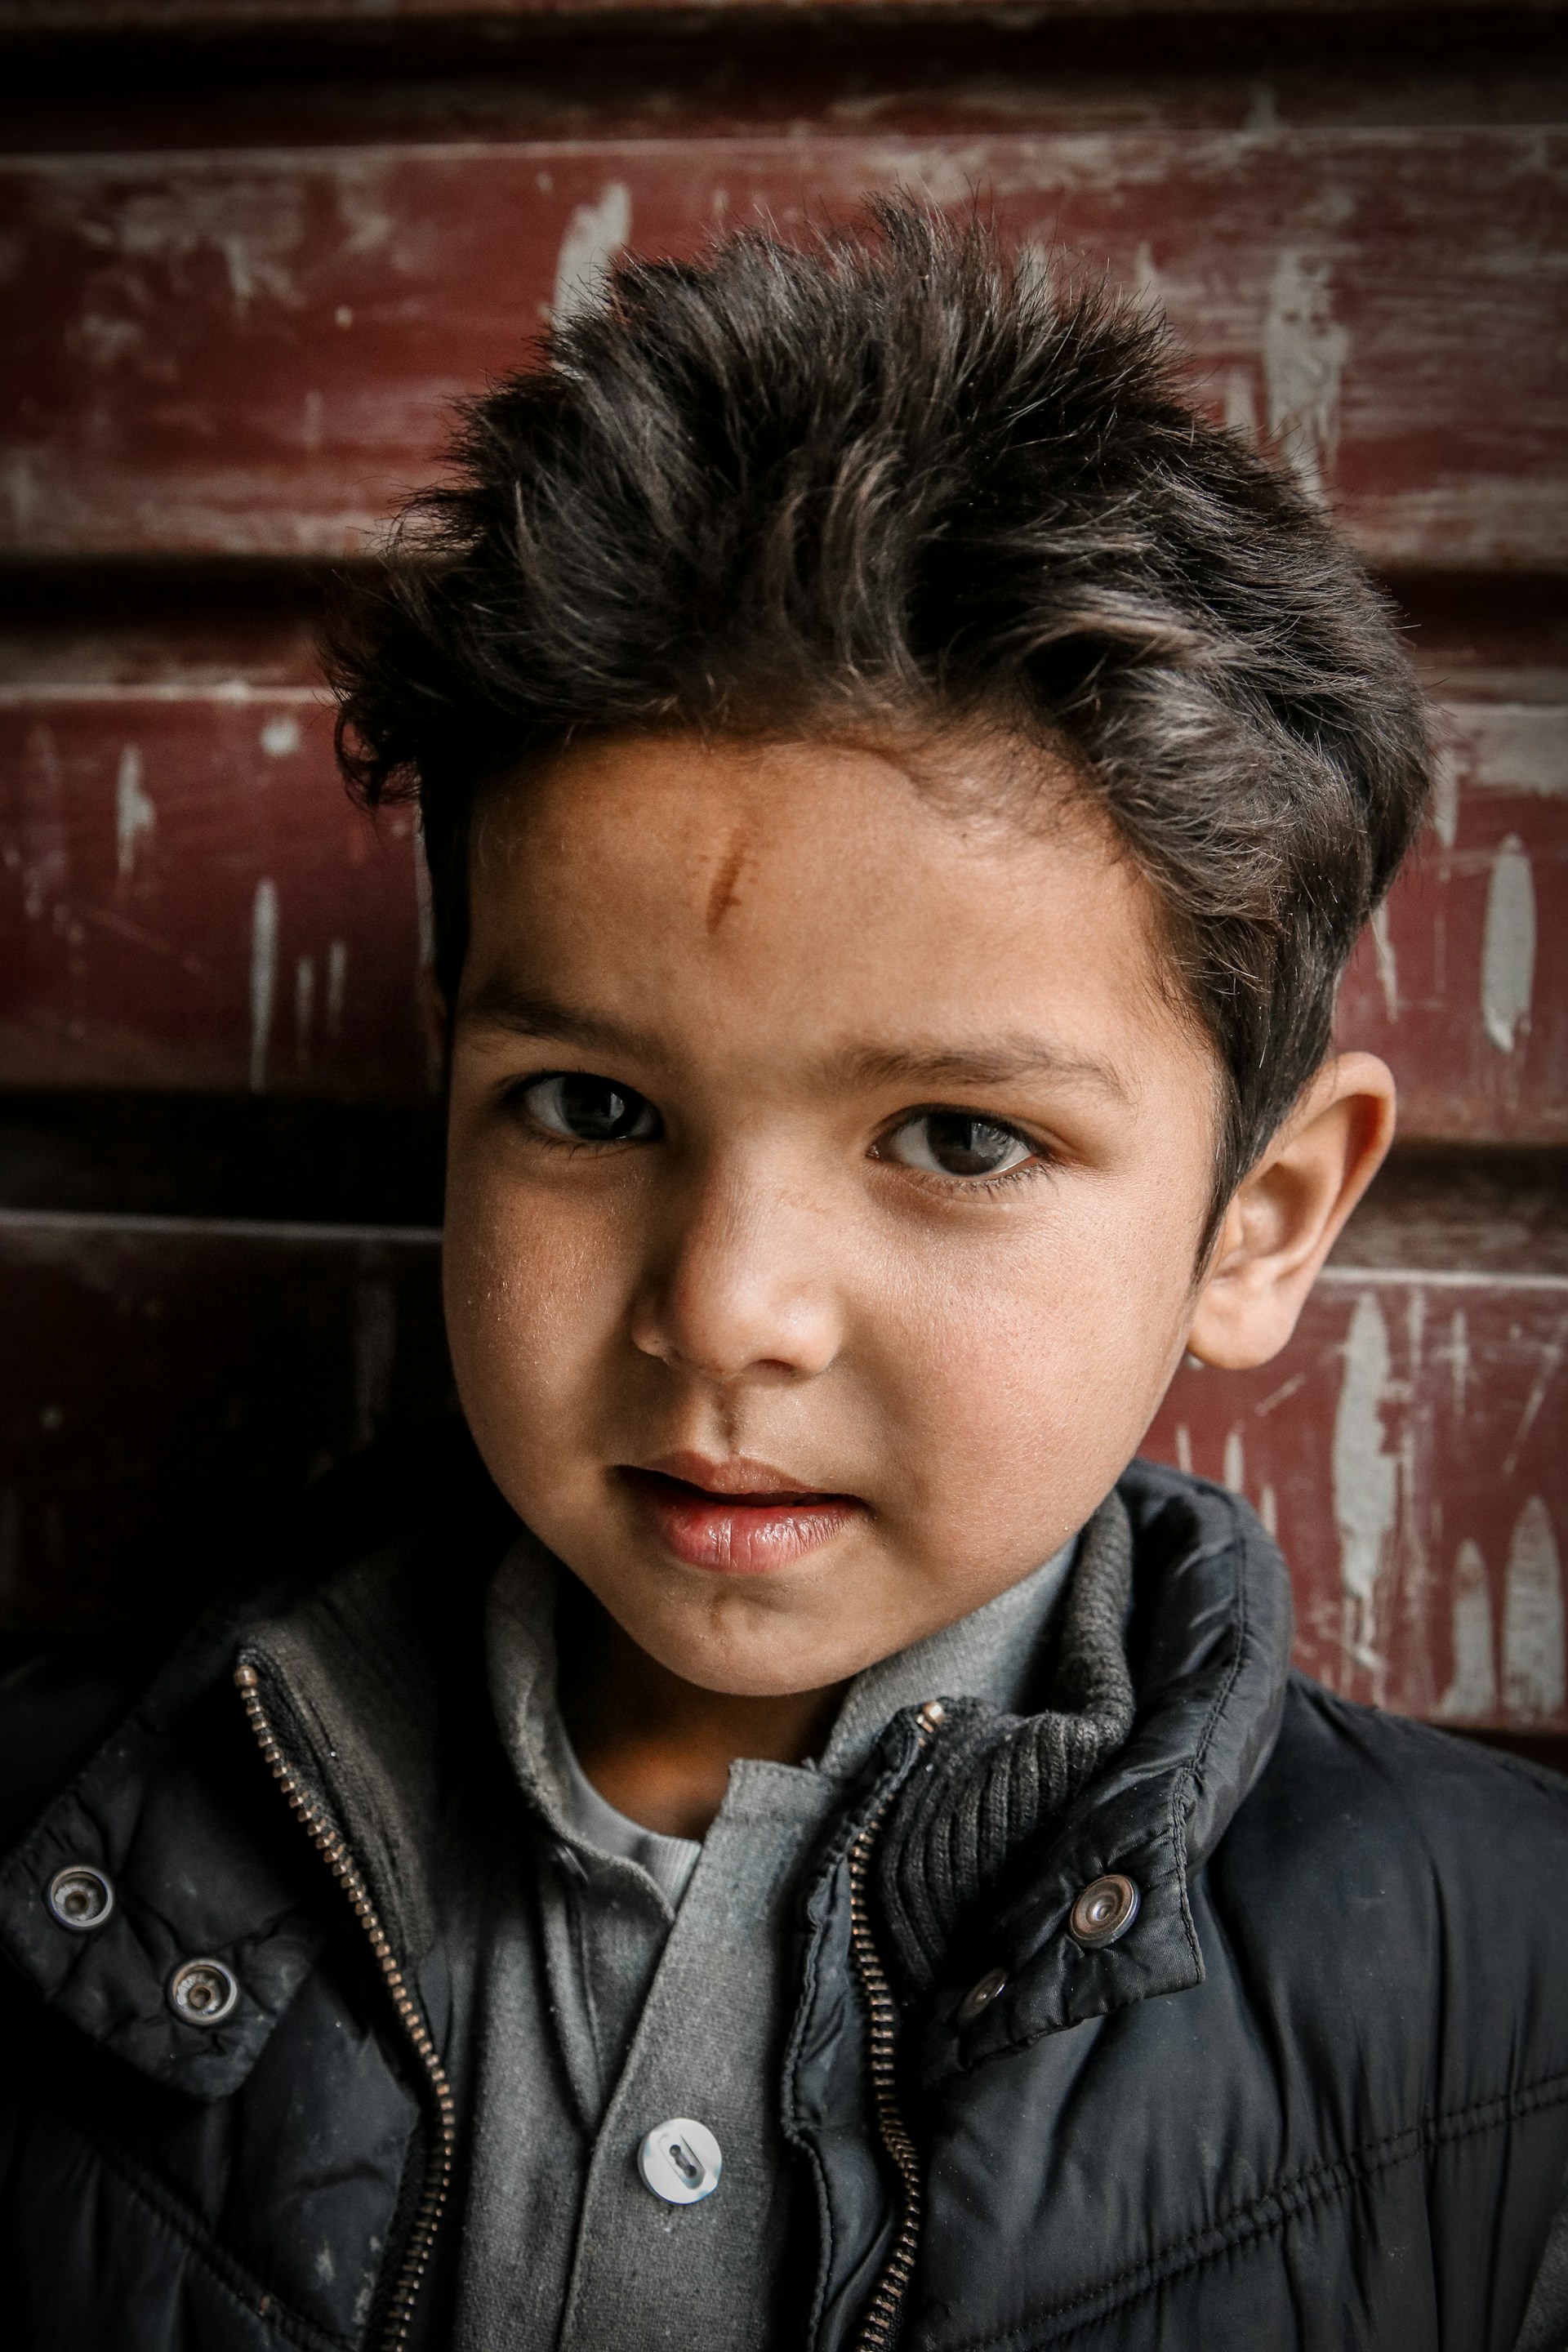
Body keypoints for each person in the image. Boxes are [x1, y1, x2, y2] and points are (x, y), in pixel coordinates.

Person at [2, 201, 1565, 2352]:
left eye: (956, 1140)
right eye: (589, 1110)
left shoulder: (1520, 2001)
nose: (730, 1313)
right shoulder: (31, 1858)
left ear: (1262, 1219)